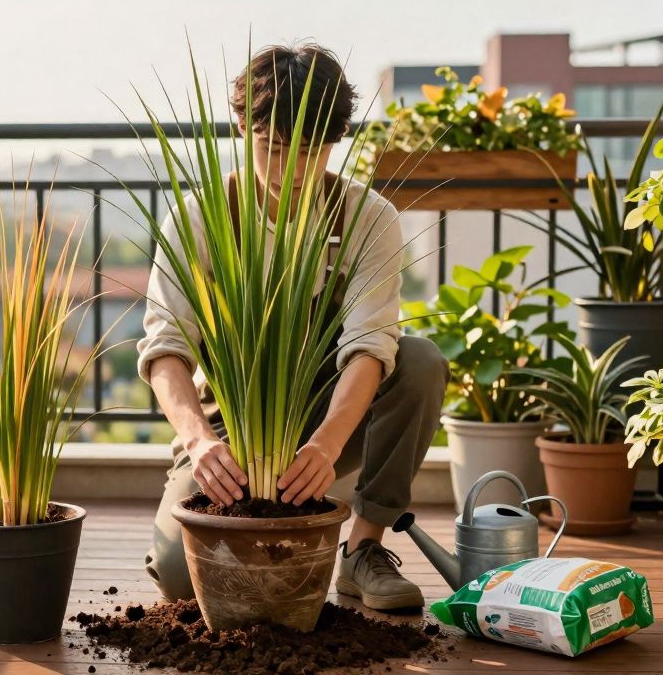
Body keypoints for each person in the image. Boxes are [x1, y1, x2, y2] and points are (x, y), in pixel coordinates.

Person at [138, 43, 448, 611]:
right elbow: (166, 348)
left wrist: (327, 447)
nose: (293, 169)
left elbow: (369, 348)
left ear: (338, 138)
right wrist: (199, 441)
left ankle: (362, 549)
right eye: (273, 147)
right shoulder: (202, 218)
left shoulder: (367, 217)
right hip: (227, 432)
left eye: (312, 149)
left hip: (328, 422)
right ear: (240, 126)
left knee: (421, 361)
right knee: (183, 580)